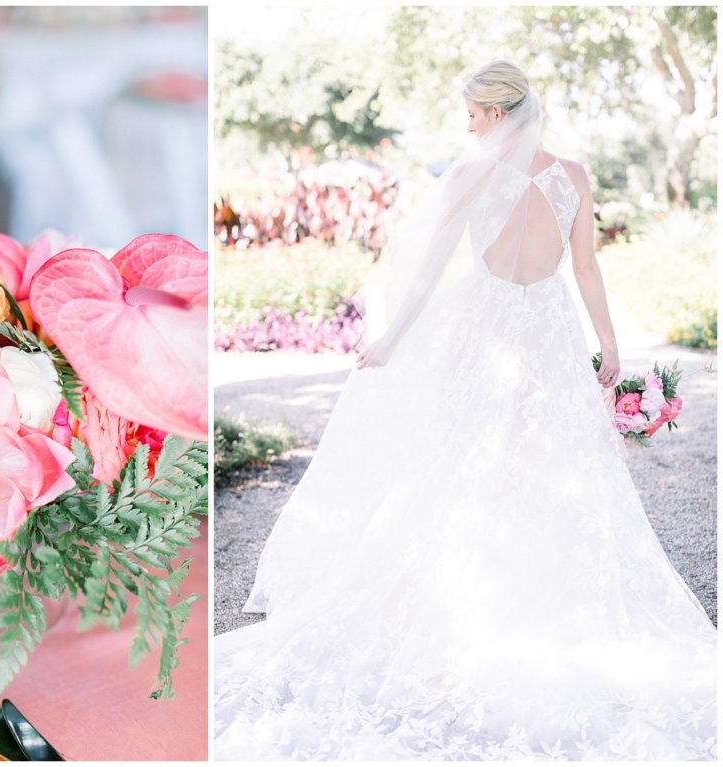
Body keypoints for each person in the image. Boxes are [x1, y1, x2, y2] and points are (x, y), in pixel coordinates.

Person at [214, 60, 716, 760]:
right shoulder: (571, 175)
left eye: (476, 113)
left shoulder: (468, 176)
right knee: (532, 458)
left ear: (503, 111)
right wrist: (607, 343)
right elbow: (586, 270)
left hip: (487, 325)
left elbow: (425, 269)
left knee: (469, 455)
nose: (468, 124)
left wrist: (392, 336)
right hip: (546, 326)